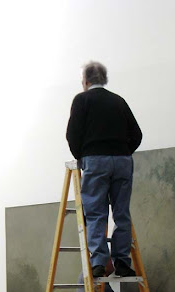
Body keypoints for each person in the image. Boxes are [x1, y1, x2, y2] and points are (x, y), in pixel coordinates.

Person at [66, 61, 142, 278]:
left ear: (86, 81)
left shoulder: (82, 100)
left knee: (96, 213)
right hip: (122, 161)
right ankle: (122, 261)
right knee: (121, 213)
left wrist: (82, 156)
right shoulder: (118, 101)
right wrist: (123, 152)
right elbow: (137, 134)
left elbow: (72, 135)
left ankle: (99, 261)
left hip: (95, 160)